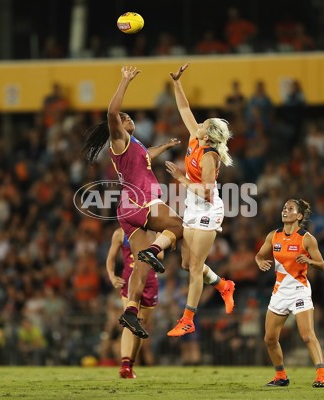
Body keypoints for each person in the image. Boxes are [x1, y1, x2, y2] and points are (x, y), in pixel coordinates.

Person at [81, 66, 230, 339]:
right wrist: (124, 82)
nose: (128, 119)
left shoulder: (133, 145)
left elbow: (146, 153)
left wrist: (164, 146)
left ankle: (130, 309)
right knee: (180, 227)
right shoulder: (120, 138)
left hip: (126, 210)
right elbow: (112, 113)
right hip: (142, 200)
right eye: (125, 119)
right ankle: (158, 253)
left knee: (142, 264)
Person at [164, 62, 236, 336]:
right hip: (193, 206)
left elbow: (206, 191)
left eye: (204, 124)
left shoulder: (209, 156)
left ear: (209, 135)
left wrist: (182, 180)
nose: (199, 124)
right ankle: (222, 285)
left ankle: (188, 319)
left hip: (207, 208)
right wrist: (177, 83)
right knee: (185, 264)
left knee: (194, 268)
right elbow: (185, 109)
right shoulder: (197, 138)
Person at [255, 199, 324, 388]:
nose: (285, 211)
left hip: (299, 290)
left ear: (298, 216)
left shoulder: (307, 238)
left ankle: (322, 376)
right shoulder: (273, 236)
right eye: (284, 208)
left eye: (290, 209)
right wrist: (259, 262)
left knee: (307, 335)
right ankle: (281, 377)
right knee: (269, 338)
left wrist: (308, 260)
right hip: (280, 291)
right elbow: (259, 255)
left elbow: (321, 264)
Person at [106, 227, 161, 379]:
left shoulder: (154, 232)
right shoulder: (120, 233)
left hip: (149, 282)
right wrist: (111, 276)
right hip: (129, 280)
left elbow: (161, 255)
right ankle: (125, 364)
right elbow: (110, 257)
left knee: (141, 326)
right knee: (130, 321)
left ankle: (130, 366)